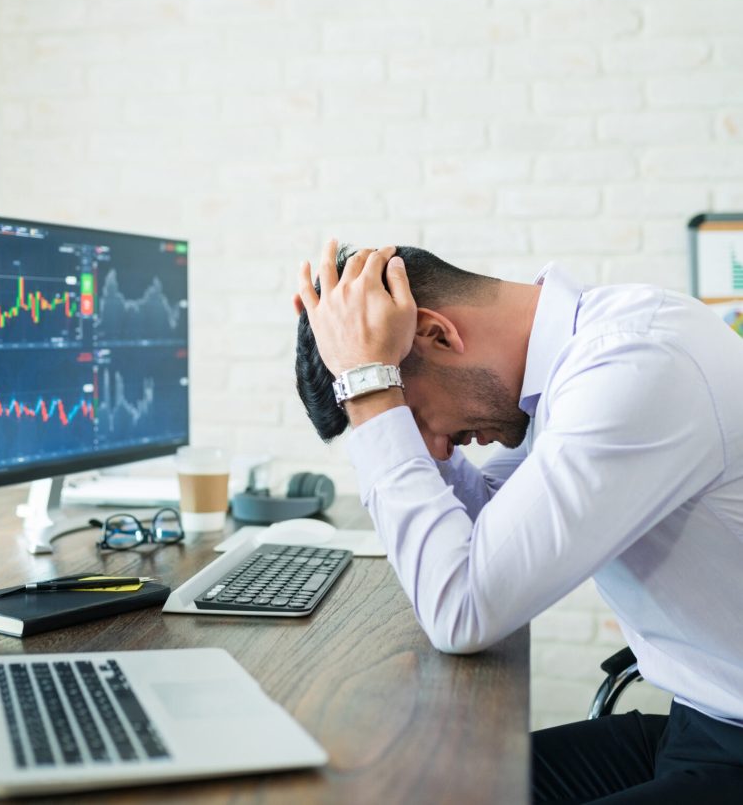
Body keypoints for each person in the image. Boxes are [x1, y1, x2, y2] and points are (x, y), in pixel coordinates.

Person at [294, 240, 743, 804]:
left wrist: (369, 387)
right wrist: (374, 393)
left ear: (437, 334)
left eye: (412, 420)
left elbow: (462, 610)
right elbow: (483, 522)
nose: (429, 452)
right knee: (423, 791)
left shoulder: (635, 365)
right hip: (699, 726)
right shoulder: (574, 363)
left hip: (732, 744)